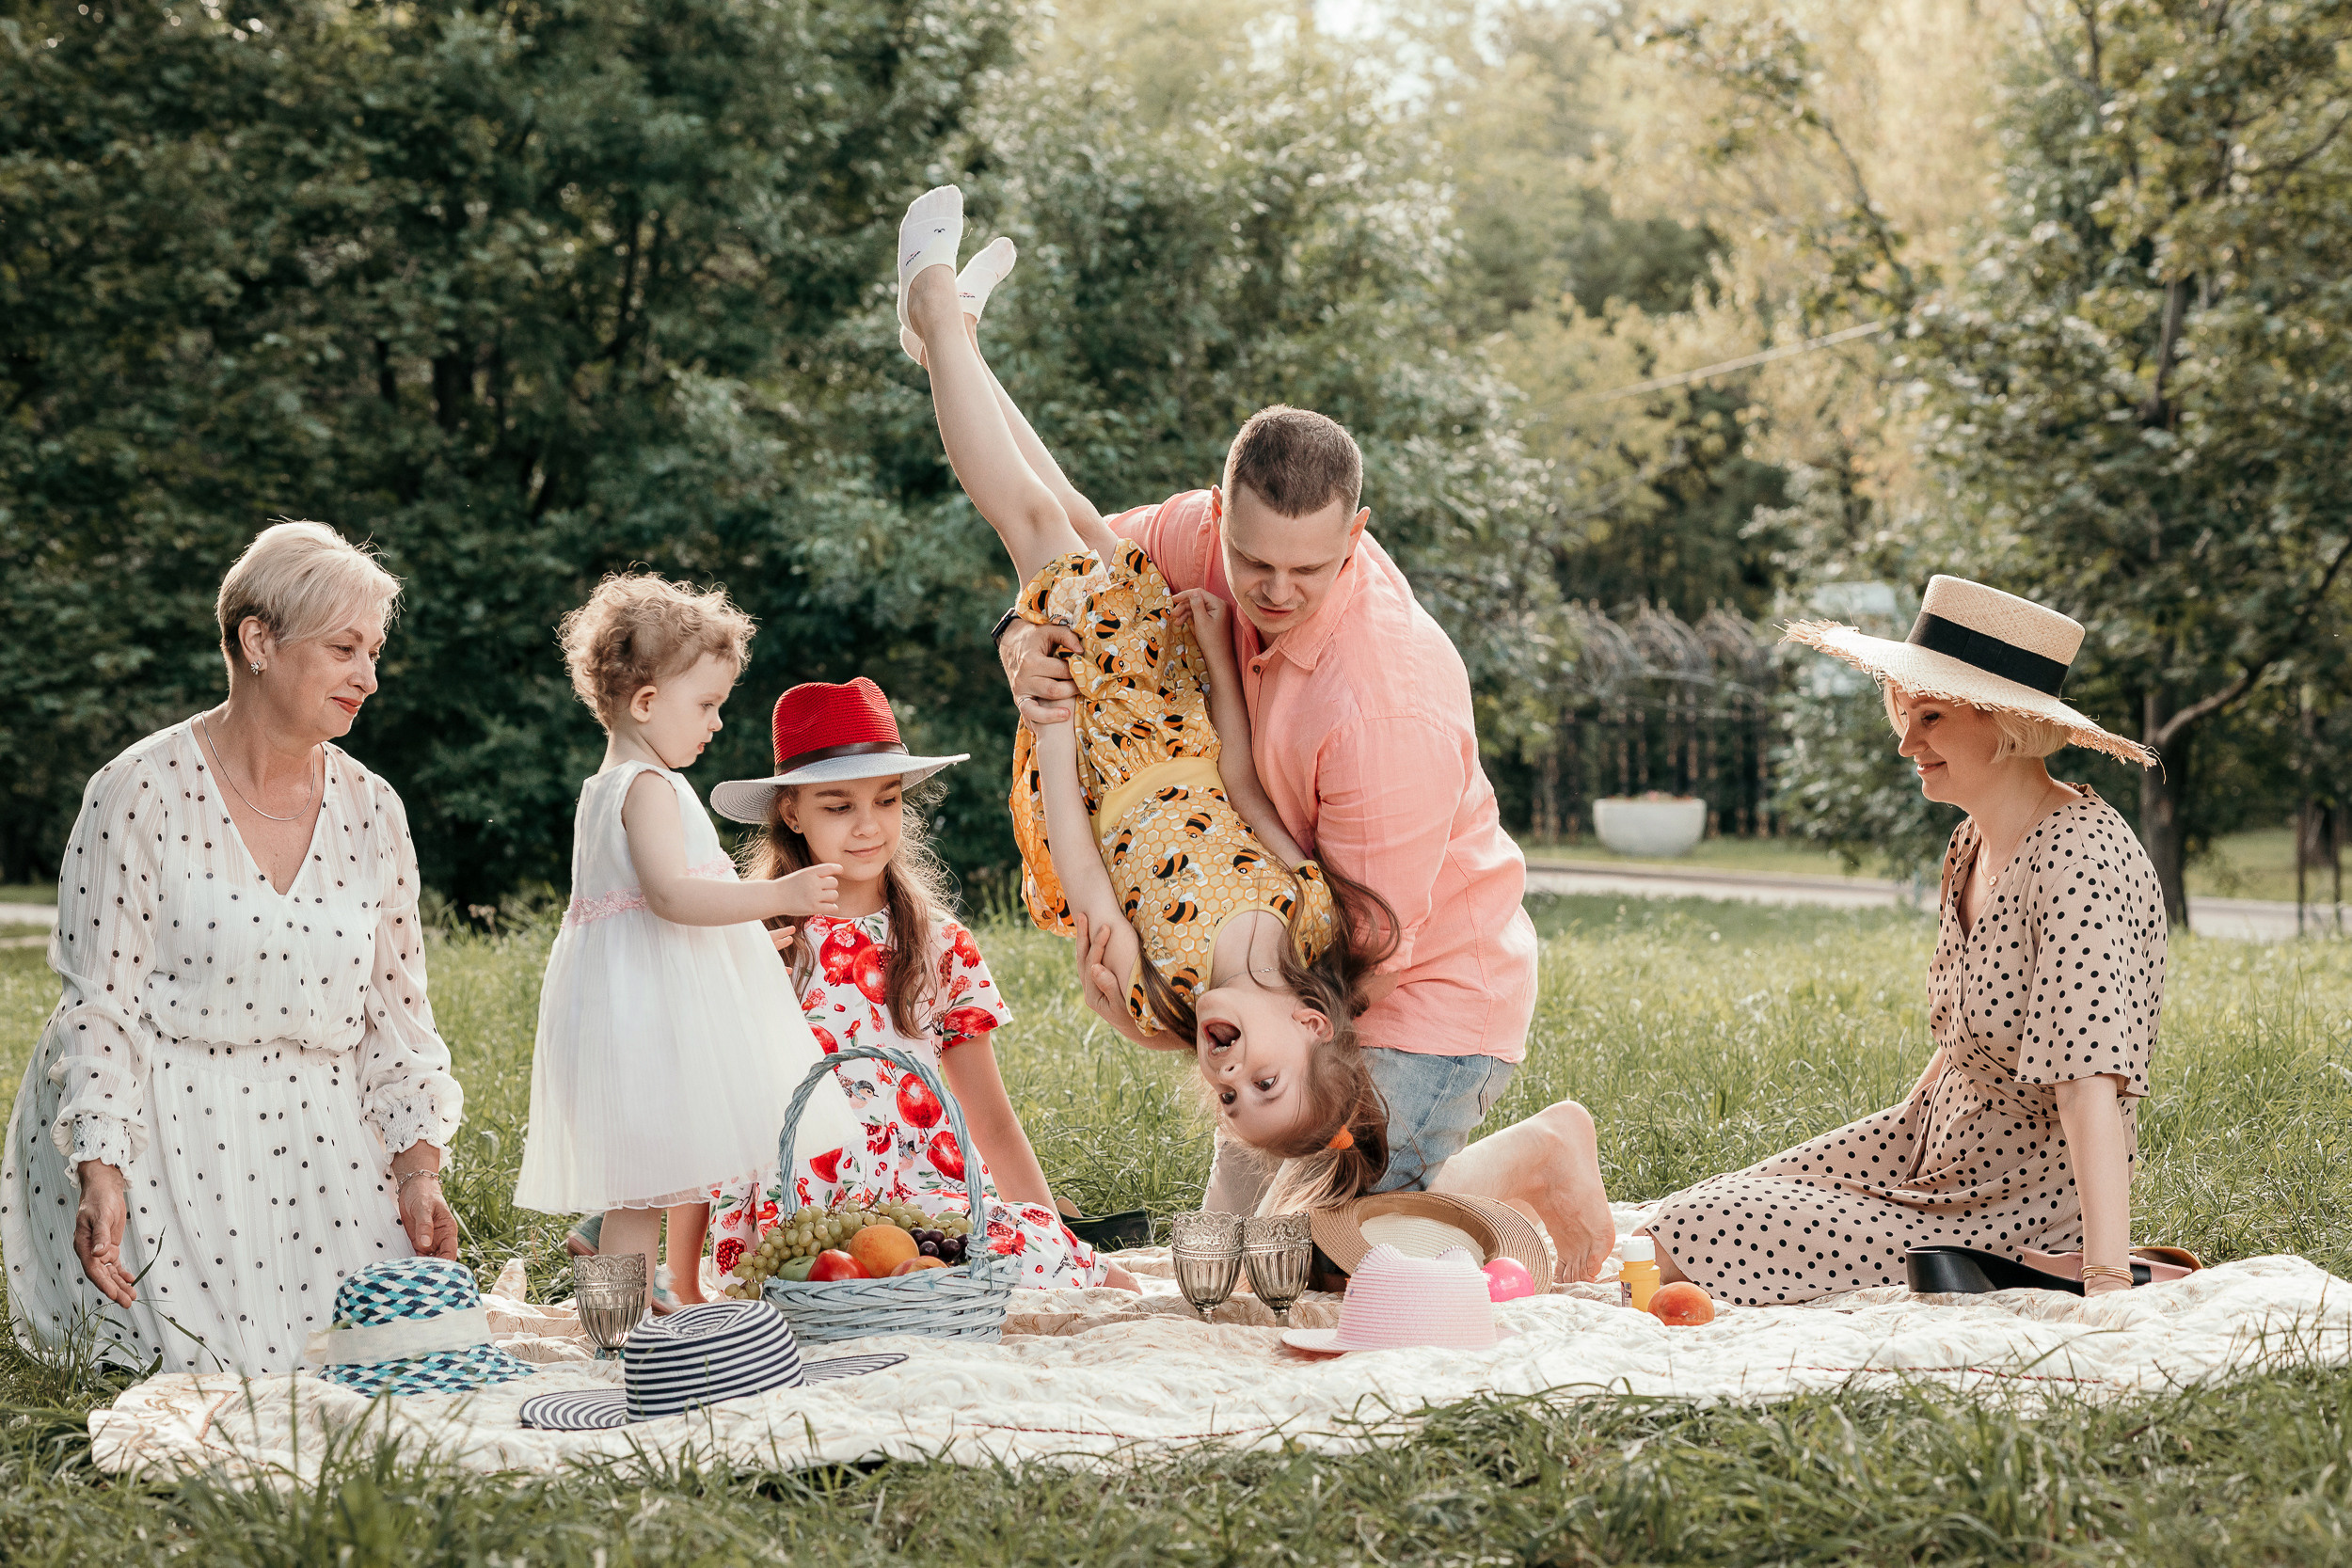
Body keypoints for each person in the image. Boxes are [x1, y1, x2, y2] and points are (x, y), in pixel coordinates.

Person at [934, 187, 1613, 1276]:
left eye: (1309, 568)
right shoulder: (1215, 539)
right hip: (1284, 962)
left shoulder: (1388, 700)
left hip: (1418, 999)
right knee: (1237, 1271)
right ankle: (949, 334)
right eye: (1254, 562)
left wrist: (1208, 1010)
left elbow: (1363, 957)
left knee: (1312, 1271)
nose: (1274, 589)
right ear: (1222, 510)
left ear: (1358, 537)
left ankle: (1518, 1151)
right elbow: (1079, 545)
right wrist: (1024, 631)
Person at [897, 189, 1416, 1211]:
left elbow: (1083, 865)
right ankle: (947, 339)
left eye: (1230, 1100)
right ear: (1313, 1028)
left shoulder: (1161, 988)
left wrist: (1052, 725)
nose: (1225, 1078)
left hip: (1095, 747)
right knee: (1083, 516)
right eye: (1260, 1081)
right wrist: (1217, 649)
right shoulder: (1309, 916)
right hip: (1173, 708)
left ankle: (926, 296)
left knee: (1034, 518)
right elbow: (1238, 776)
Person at [1, 522, 465, 1375]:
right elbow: (97, 1005)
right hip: (164, 1115)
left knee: (392, 1356)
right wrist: (101, 1165)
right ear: (259, 641)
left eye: (373, 651)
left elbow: (398, 1017)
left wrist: (416, 1172)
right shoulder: (136, 790)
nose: (369, 676)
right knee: (211, 1365)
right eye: (343, 649)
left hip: (319, 1125)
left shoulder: (375, 810)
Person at [1644, 577, 2167, 1303]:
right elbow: (1963, 1040)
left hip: (2011, 1205)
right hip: (1933, 1138)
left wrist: (2105, 1278)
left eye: (1931, 717)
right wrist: (1888, 1151)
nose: (1905, 742)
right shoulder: (1970, 843)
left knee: (1697, 1228)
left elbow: (2089, 1089)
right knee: (1690, 1212)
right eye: (1904, 714)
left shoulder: (2080, 861)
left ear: (2006, 722)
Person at [707, 678, 1135, 1291]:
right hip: (804, 1201)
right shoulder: (762, 939)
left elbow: (991, 1120)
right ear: (791, 811)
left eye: (886, 799)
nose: (868, 826)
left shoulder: (939, 945)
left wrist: (1059, 1237)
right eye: (838, 805)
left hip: (922, 1197)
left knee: (1078, 1269)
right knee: (834, 1274)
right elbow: (713, 1106)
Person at [511, 575, 864, 1311]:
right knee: (642, 1186)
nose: (715, 723)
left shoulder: (606, 786)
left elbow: (651, 915)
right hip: (645, 1024)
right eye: (705, 705)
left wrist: (740, 944)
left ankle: (625, 1315)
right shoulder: (649, 787)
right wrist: (777, 894)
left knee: (649, 1182)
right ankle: (625, 1325)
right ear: (646, 703)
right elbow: (670, 896)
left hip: (634, 1004)